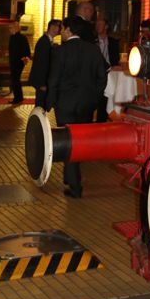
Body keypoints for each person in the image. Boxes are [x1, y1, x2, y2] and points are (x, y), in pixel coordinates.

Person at [46, 15, 107, 198]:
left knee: (68, 142)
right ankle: (69, 177)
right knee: (79, 141)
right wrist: (94, 98)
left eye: (63, 28)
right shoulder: (93, 50)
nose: (61, 32)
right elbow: (102, 77)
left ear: (69, 30)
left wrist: (49, 103)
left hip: (65, 104)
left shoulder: (60, 51)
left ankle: (75, 186)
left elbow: (53, 80)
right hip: (86, 105)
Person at [28, 19, 61, 109]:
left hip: (43, 80)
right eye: (59, 27)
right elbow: (41, 64)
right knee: (40, 105)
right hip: (41, 81)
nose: (60, 30)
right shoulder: (44, 42)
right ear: (53, 27)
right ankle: (37, 118)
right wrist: (42, 83)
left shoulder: (48, 41)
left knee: (42, 104)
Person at [96, 18, 120, 122]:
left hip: (109, 74)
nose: (97, 26)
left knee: (106, 98)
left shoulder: (113, 42)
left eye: (100, 24)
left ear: (106, 26)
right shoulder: (93, 41)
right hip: (96, 74)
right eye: (97, 24)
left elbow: (116, 59)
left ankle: (104, 119)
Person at [8, 20, 31, 105]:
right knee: (15, 80)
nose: (9, 29)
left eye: (11, 27)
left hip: (18, 62)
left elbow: (26, 50)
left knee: (15, 80)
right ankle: (18, 97)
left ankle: (18, 98)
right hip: (14, 62)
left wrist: (24, 59)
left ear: (16, 28)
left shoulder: (21, 37)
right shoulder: (12, 37)